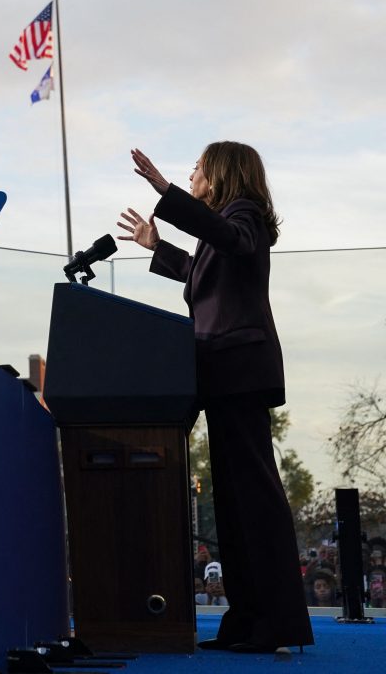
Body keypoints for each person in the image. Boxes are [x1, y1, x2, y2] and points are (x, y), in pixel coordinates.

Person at [117, 142, 313, 654]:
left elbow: (228, 238)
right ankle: (247, 620)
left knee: (253, 498)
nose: (191, 173)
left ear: (222, 174)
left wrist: (166, 192)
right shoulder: (222, 230)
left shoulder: (243, 216)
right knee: (231, 503)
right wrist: (156, 247)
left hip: (239, 372)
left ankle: (275, 621)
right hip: (219, 373)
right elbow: (200, 278)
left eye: (199, 168)